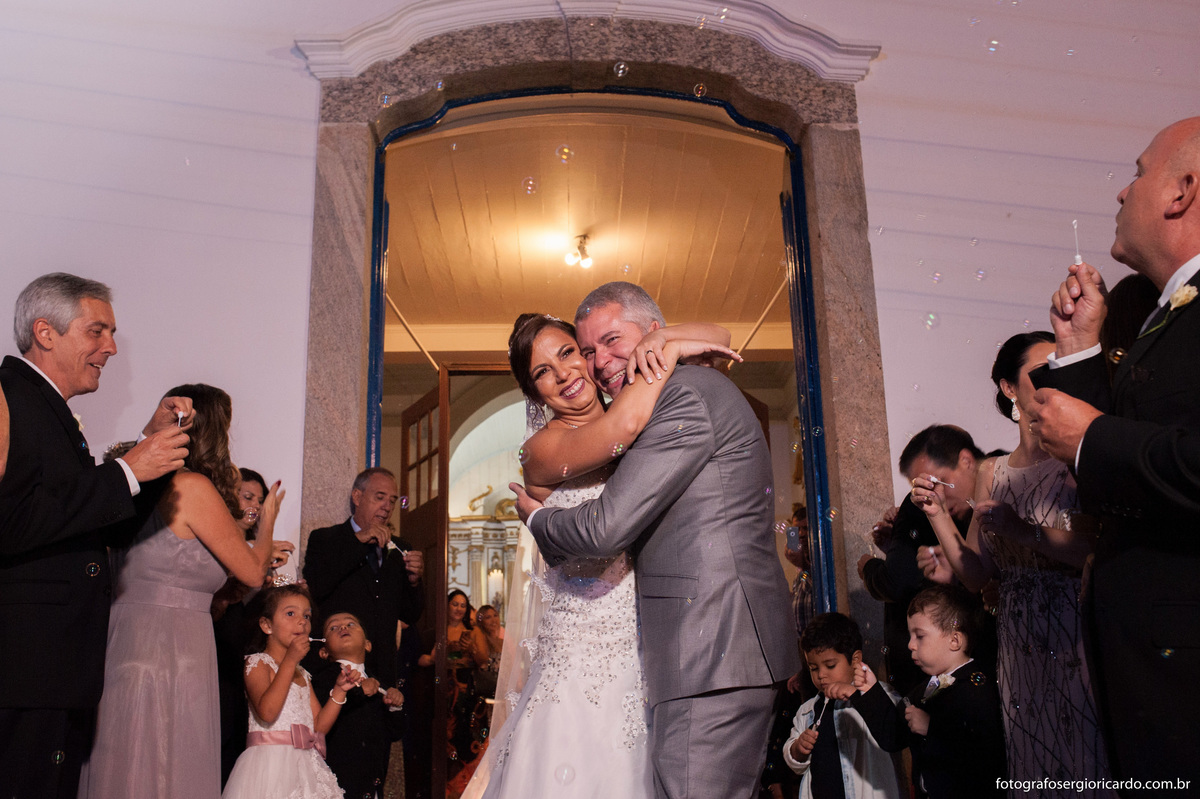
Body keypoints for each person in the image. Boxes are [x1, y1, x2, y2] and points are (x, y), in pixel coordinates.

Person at [514, 282, 801, 799]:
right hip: (651, 650)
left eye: (609, 342)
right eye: (589, 349)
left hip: (709, 644)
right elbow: (623, 428)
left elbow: (605, 527)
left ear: (652, 331)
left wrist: (538, 522)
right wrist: (678, 342)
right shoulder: (562, 439)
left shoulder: (681, 394)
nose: (596, 362)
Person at [469, 309, 737, 799]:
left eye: (569, 353)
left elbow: (722, 334)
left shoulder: (638, 406)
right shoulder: (542, 450)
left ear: (588, 356)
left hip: (651, 646)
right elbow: (625, 424)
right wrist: (666, 350)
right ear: (534, 395)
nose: (564, 374)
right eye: (542, 373)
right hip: (579, 659)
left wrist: (662, 338)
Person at [1028, 117, 1200, 787]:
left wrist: (1094, 437)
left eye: (1137, 171)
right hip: (1147, 671)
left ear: (1182, 191)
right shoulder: (1169, 314)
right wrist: (1079, 350)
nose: (1121, 194)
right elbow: (1122, 477)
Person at [0, 273, 190, 799]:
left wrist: (150, 448)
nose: (110, 347)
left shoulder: (50, 409)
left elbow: (94, 524)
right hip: (23, 668)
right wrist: (127, 470)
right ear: (46, 332)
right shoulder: (9, 398)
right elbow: (10, 520)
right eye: (97, 331)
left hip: (53, 669)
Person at [912, 332, 1110, 793]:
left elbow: (1091, 549)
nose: (1052, 378)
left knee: (1086, 757)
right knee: (1033, 760)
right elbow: (978, 572)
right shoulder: (991, 472)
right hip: (1018, 641)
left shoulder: (1074, 459)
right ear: (1009, 389)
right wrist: (938, 514)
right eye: (1039, 370)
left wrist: (1023, 531)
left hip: (1076, 627)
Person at [78, 384, 284, 799]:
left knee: (127, 763)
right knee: (165, 766)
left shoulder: (136, 483)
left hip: (126, 639)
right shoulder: (191, 486)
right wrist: (267, 522)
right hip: (170, 651)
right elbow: (253, 570)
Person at [852, 585, 1006, 799]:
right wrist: (870, 690)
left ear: (954, 640)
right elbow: (893, 735)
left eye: (920, 636)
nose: (910, 645)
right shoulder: (926, 688)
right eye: (910, 635)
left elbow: (982, 755)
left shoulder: (978, 689)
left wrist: (931, 729)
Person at [221, 585, 357, 799]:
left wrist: (339, 691)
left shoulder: (302, 674)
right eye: (291, 614)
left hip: (305, 767)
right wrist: (290, 660)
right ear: (267, 625)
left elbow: (318, 726)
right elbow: (267, 712)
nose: (302, 621)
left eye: (307, 615)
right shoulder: (258, 664)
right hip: (270, 766)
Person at [304, 467, 425, 691]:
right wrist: (357, 541)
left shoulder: (400, 548)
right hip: (337, 673)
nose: (387, 507)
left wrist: (415, 581)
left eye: (392, 500)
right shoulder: (325, 539)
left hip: (385, 675)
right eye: (380, 497)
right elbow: (318, 587)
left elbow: (410, 614)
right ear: (357, 497)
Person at [782, 613, 902, 799]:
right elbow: (795, 762)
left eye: (830, 666)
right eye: (813, 668)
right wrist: (798, 749)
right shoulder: (807, 711)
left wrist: (857, 695)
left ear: (855, 660)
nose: (821, 675)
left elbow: (894, 728)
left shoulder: (878, 695)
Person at [312, 611, 405, 799]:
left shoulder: (379, 683)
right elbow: (321, 720)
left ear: (367, 644)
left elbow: (395, 733)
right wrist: (359, 692)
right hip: (337, 778)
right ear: (324, 651)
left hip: (372, 779)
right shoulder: (323, 679)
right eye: (333, 627)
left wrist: (395, 706)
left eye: (351, 624)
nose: (343, 628)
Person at [471, 604, 504, 698]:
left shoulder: (503, 642)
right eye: (488, 617)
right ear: (481, 621)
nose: (493, 620)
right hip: (486, 692)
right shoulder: (480, 640)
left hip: (503, 690)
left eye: (495, 615)